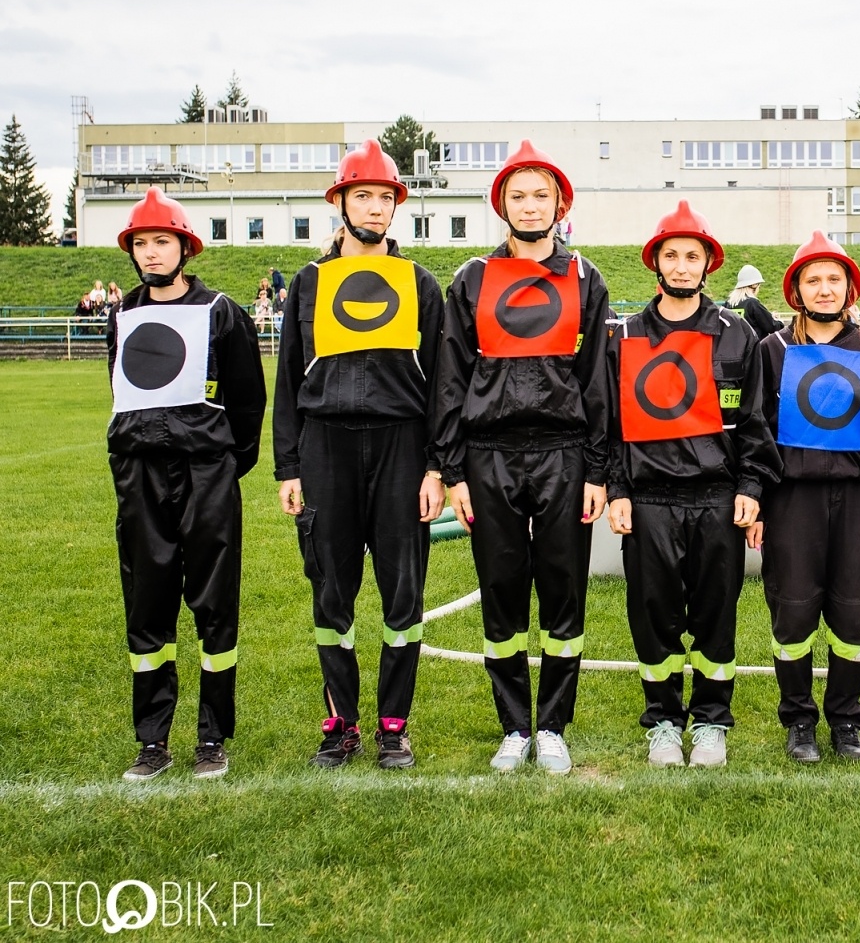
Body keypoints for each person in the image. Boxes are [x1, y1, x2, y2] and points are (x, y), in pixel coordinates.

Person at [432, 142, 611, 775]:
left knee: (564, 592)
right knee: (502, 593)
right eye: (518, 195)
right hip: (489, 456)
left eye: (541, 195)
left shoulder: (585, 277)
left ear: (559, 204)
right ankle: (514, 725)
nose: (530, 206)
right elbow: (450, 381)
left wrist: (597, 470)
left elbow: (598, 383)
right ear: (501, 205)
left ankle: (554, 725)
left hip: (564, 454)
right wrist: (452, 470)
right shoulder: (472, 280)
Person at [274, 139, 446, 771]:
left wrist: (435, 467)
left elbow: (443, 386)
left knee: (404, 591)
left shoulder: (421, 284)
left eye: (385, 198)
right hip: (325, 448)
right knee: (331, 592)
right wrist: (288, 466)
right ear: (341, 202)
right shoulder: (309, 283)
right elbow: (288, 380)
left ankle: (393, 723)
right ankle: (340, 720)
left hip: (402, 447)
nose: (375, 208)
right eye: (363, 195)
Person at [606, 201, 781, 768]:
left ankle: (710, 720)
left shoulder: (737, 336)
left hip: (716, 497)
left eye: (693, 256)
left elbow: (756, 423)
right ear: (655, 263)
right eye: (671, 255)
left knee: (715, 615)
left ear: (709, 264)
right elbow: (608, 423)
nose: (682, 266)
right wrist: (617, 489)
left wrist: (752, 488)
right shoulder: (624, 335)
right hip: (650, 498)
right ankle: (661, 720)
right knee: (653, 614)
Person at [105, 188, 266, 781]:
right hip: (141, 476)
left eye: (161, 241)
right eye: (140, 243)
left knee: (214, 605)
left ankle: (211, 738)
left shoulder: (222, 312)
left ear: (184, 247)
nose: (151, 253)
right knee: (146, 604)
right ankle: (152, 740)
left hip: (207, 476)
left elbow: (249, 404)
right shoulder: (122, 317)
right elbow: (122, 394)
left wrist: (223, 465)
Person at [752, 231, 860, 762]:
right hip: (792, 501)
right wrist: (758, 503)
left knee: (852, 614)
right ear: (796, 290)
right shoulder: (771, 350)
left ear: (849, 288)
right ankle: (798, 720)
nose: (824, 289)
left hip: (858, 500)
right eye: (812, 280)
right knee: (792, 614)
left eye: (833, 279)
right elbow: (757, 433)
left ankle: (845, 719)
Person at [726, 264, 784, 339]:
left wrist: (769, 316)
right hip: (754, 349)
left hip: (735, 348)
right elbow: (772, 327)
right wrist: (779, 322)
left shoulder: (728, 304)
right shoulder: (753, 303)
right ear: (754, 285)